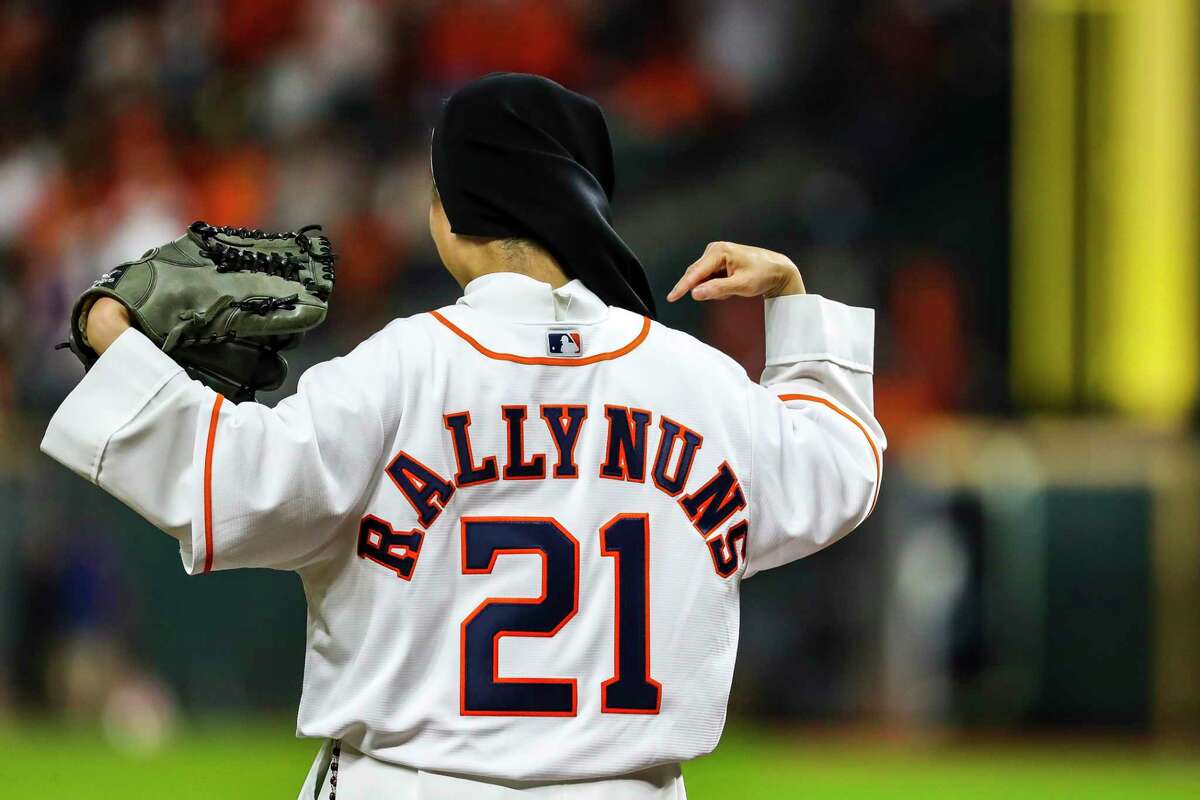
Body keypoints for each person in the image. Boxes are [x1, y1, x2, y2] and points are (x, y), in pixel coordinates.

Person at [42, 74, 884, 799]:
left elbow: (226, 485)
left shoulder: (404, 367)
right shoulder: (692, 380)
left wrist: (108, 328)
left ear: (448, 211)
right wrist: (798, 306)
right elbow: (841, 469)